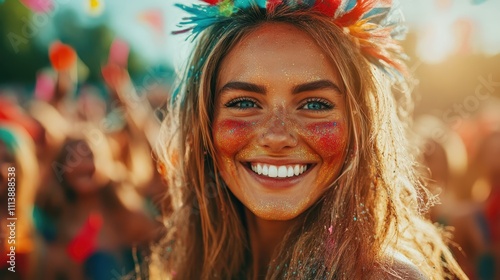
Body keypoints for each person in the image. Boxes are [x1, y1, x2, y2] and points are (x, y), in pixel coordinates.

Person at [153, 1, 467, 279]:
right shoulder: (190, 266)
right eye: (245, 103)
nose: (277, 136)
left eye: (314, 104)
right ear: (204, 123)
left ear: (359, 127)